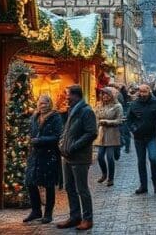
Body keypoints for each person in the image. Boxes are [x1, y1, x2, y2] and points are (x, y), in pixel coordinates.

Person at [57, 85, 97, 231]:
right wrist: (62, 143)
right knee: (69, 187)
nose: (66, 97)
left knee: (82, 189)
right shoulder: (72, 110)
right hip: (67, 155)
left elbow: (91, 133)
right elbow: (66, 131)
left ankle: (88, 218)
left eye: (68, 95)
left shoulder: (86, 111)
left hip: (79, 156)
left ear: (76, 96)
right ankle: (74, 216)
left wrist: (74, 146)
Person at [23, 94, 63, 224]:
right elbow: (31, 132)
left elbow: (58, 136)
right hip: (35, 155)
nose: (42, 106)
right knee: (30, 182)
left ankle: (48, 214)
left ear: (49, 104)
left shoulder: (55, 117)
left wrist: (40, 140)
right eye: (40, 103)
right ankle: (36, 211)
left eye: (45, 103)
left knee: (49, 185)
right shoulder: (35, 117)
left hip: (49, 154)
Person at [127, 83, 156, 194]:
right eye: (141, 91)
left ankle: (155, 180)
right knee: (141, 161)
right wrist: (133, 129)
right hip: (138, 138)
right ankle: (143, 185)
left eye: (145, 91)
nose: (142, 93)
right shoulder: (134, 104)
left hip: (152, 137)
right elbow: (129, 120)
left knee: (153, 158)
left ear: (149, 91)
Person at [94, 87, 123, 186]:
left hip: (112, 133)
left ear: (111, 96)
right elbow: (96, 118)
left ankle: (111, 178)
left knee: (110, 157)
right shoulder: (99, 105)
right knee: (100, 156)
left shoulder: (117, 106)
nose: (104, 96)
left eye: (106, 94)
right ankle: (104, 174)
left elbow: (119, 120)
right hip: (101, 133)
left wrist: (107, 122)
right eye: (103, 94)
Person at [118, 85, 132, 154]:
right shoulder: (127, 95)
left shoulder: (119, 95)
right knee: (126, 132)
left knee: (124, 132)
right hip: (125, 114)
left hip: (123, 113)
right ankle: (126, 146)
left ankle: (125, 146)